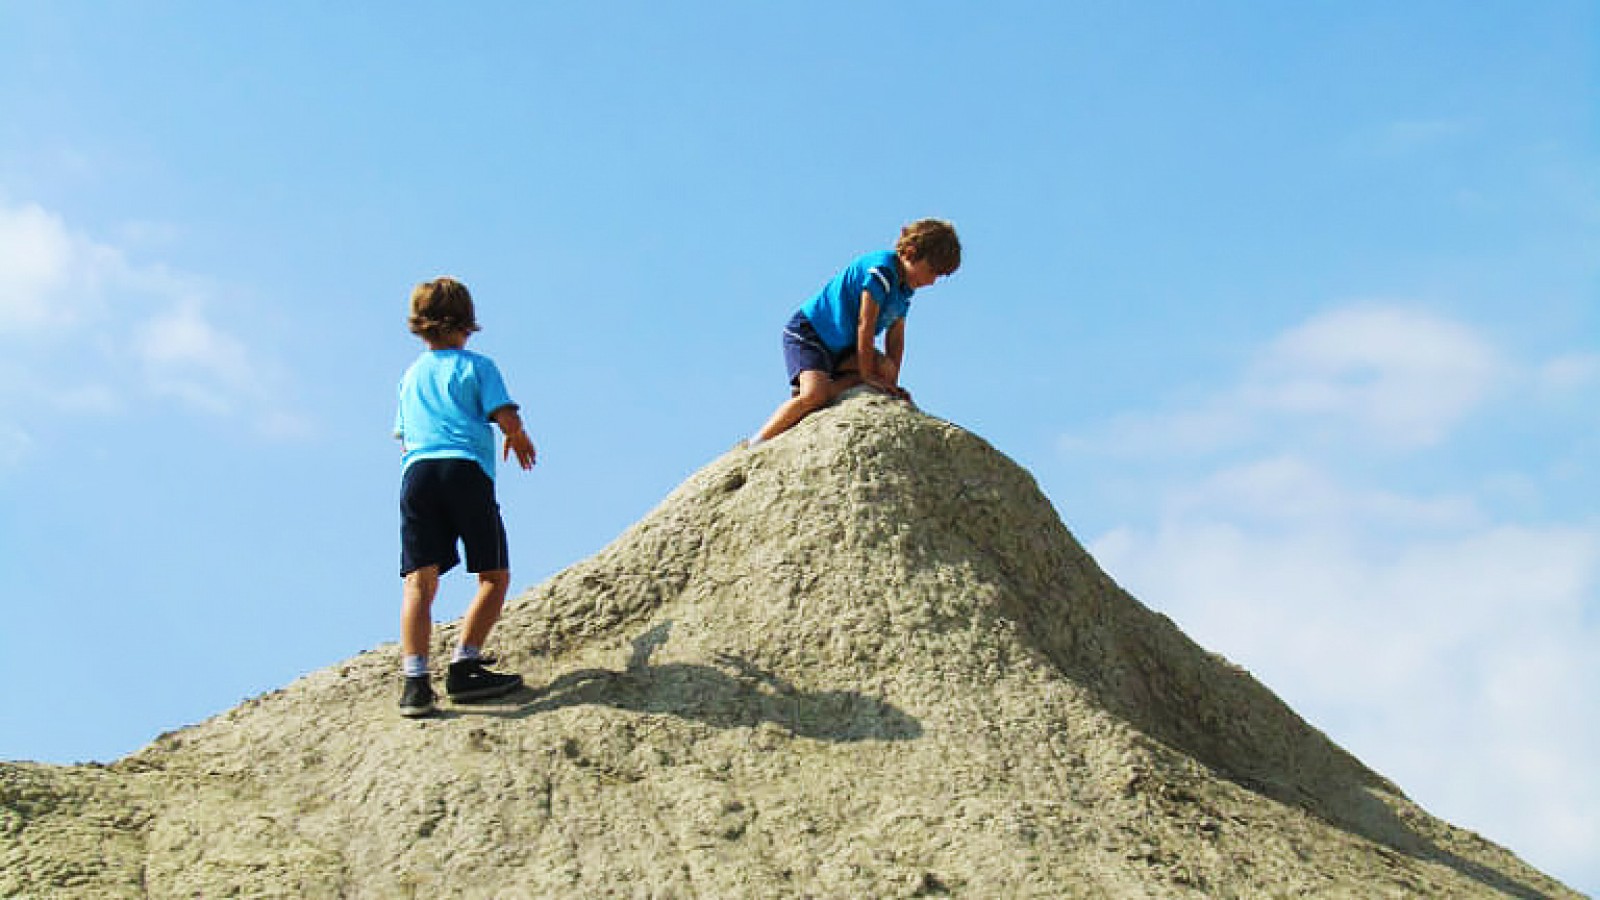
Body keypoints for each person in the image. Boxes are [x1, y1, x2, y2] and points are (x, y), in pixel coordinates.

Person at [392, 276, 537, 717]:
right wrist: (519, 436)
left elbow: (403, 437)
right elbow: (504, 413)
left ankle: (415, 681)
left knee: (419, 581)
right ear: (467, 323)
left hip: (416, 474)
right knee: (493, 576)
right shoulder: (477, 366)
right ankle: (465, 666)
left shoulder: (410, 376)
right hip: (466, 472)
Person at [750, 218, 961, 445]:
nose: (932, 282)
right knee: (814, 395)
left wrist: (892, 385)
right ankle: (756, 443)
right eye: (932, 272)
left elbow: (896, 337)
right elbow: (865, 322)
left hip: (843, 346)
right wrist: (866, 373)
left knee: (885, 372)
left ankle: (829, 388)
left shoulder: (905, 290)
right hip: (811, 334)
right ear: (910, 253)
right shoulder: (882, 269)